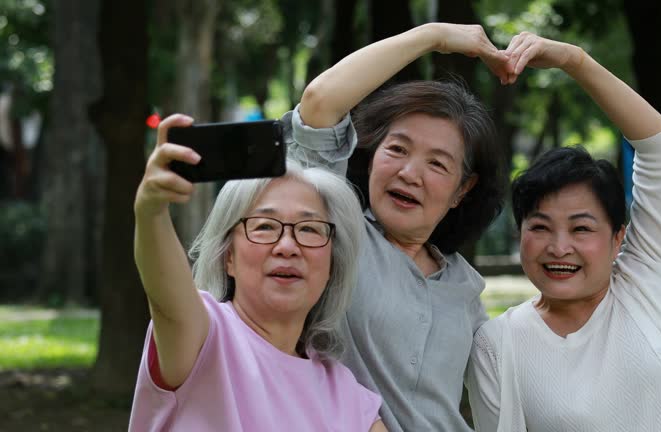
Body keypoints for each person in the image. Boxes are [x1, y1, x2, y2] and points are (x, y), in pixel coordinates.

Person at [467, 33, 661, 431]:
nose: (559, 248)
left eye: (581, 228)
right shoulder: (498, 344)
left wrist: (574, 60)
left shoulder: (648, 279)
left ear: (618, 238)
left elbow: (660, 146)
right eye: (540, 226)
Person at [285, 23, 509, 431]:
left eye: (437, 164)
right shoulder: (335, 231)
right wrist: (433, 36)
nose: (409, 173)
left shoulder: (464, 284)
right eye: (397, 149)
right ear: (372, 157)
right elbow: (319, 104)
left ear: (463, 189)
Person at [128, 114, 387, 431]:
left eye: (309, 229)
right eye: (265, 226)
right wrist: (151, 209)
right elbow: (166, 297)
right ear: (228, 258)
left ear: (332, 264)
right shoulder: (205, 335)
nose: (288, 246)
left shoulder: (348, 396)